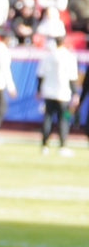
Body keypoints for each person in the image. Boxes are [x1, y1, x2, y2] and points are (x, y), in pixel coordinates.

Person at [35, 28, 79, 156]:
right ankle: (63, 145)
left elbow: (40, 75)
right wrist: (75, 93)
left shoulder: (48, 56)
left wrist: (39, 90)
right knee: (64, 118)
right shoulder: (69, 57)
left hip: (49, 91)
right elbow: (72, 78)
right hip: (63, 93)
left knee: (48, 118)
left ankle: (44, 145)